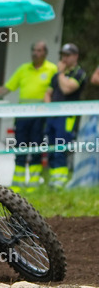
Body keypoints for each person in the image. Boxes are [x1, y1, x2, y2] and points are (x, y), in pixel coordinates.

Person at [0, 41, 57, 191]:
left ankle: (34, 185)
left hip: (40, 116)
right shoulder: (23, 69)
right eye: (33, 50)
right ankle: (17, 184)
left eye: (38, 50)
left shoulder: (52, 69)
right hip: (23, 115)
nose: (35, 53)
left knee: (36, 149)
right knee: (20, 147)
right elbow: (6, 89)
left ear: (45, 53)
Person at [44, 43, 87, 188]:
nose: (64, 58)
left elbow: (67, 89)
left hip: (67, 117)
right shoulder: (57, 75)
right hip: (53, 116)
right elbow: (48, 93)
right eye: (63, 55)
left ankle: (60, 182)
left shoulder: (79, 73)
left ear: (75, 56)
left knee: (60, 148)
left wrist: (61, 73)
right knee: (50, 147)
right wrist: (49, 107)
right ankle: (53, 180)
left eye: (68, 55)